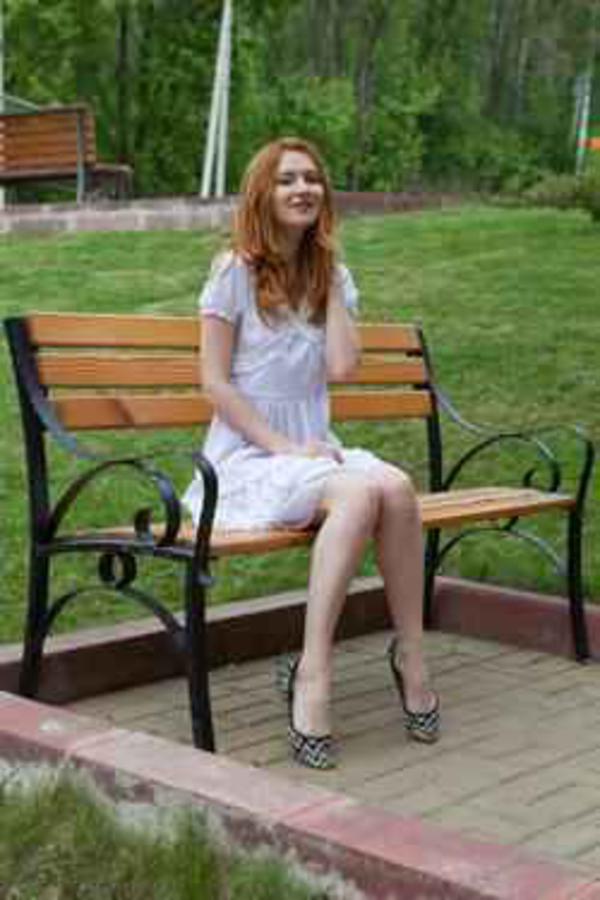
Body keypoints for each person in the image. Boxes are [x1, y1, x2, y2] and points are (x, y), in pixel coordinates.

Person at [183, 137, 439, 769]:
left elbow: (343, 368)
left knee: (396, 488)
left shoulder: (332, 276)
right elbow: (213, 382)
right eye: (287, 179)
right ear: (262, 194)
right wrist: (284, 449)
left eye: (312, 179)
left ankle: (411, 653)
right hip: (246, 457)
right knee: (358, 492)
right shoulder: (234, 272)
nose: (303, 189)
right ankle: (313, 671)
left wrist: (327, 270)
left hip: (311, 449)